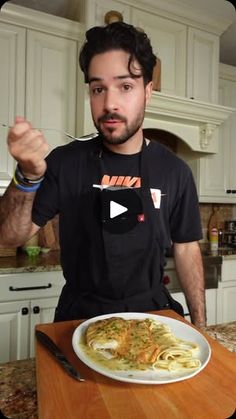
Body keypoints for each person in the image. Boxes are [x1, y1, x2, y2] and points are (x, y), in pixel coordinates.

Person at [0, 22, 206, 327]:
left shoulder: (176, 171)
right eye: (98, 89)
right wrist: (27, 176)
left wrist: (201, 325)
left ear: (147, 91)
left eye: (125, 86)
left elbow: (187, 247)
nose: (109, 104)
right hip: (78, 318)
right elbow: (8, 236)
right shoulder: (64, 162)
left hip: (152, 316)